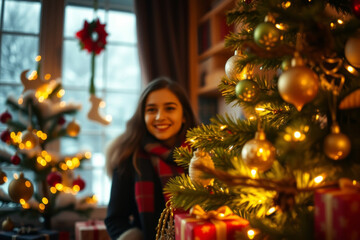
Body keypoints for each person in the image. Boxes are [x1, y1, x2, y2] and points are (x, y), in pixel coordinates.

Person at [104, 77, 197, 240]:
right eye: (151, 110)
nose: (160, 117)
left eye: (169, 108)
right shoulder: (129, 158)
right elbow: (115, 220)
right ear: (143, 116)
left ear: (184, 115)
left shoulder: (202, 156)